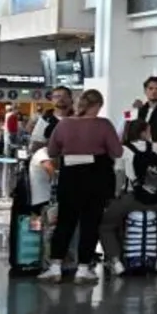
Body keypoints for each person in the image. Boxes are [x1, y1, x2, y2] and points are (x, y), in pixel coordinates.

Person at [38, 89, 123, 283]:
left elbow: (51, 151)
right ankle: (83, 268)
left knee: (65, 222)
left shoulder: (64, 124)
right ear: (98, 106)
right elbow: (117, 152)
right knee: (90, 222)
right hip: (96, 177)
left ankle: (55, 267)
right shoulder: (103, 125)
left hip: (70, 176)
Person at [100, 120, 157, 276]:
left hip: (131, 199)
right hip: (156, 200)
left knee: (106, 226)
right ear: (143, 132)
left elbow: (119, 177)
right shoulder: (156, 147)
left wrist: (115, 198)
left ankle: (116, 261)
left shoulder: (122, 150)